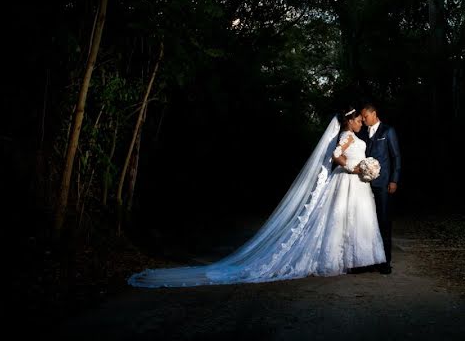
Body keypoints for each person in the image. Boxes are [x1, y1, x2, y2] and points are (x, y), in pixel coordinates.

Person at [127, 108, 385, 287]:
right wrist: (353, 168)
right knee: (341, 219)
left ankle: (353, 259)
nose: (361, 122)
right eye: (358, 120)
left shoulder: (355, 135)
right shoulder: (346, 136)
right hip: (346, 180)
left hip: (355, 184)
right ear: (349, 121)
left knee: (352, 220)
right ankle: (342, 259)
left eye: (362, 121)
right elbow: (336, 156)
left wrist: (365, 168)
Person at [358, 103, 401, 274]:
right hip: (364, 185)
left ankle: (385, 261)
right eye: (362, 117)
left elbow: (396, 156)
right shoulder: (362, 132)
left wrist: (394, 180)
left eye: (365, 117)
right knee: (368, 222)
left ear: (374, 114)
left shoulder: (388, 131)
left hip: (383, 184)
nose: (363, 119)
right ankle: (369, 259)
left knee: (384, 221)